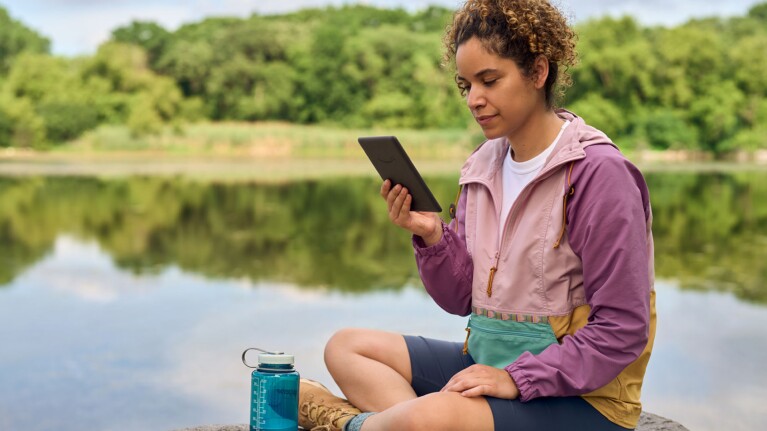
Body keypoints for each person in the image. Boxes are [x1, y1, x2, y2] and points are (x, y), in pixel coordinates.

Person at [297, 0, 656, 430]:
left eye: (489, 80)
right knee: (347, 347)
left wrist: (516, 377)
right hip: (489, 362)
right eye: (465, 85)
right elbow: (460, 299)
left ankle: (349, 424)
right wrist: (432, 236)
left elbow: (623, 328)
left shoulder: (599, 174)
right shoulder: (483, 165)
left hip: (585, 399)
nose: (474, 99)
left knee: (433, 415)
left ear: (538, 72)